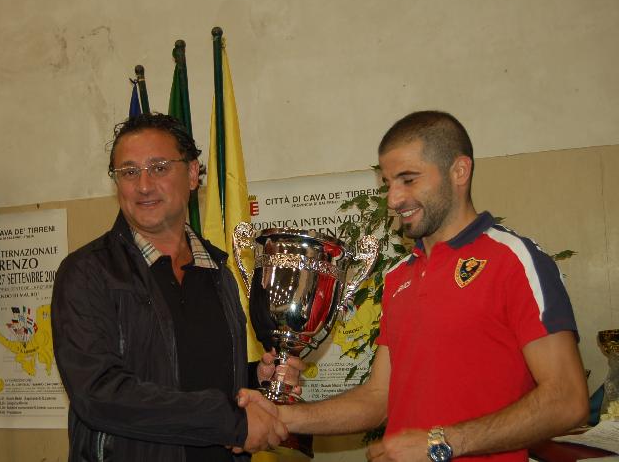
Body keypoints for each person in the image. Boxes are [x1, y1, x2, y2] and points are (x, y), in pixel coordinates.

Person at [239, 110, 589, 462]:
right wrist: (280, 417)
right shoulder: (399, 277)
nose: (393, 199)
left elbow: (568, 399)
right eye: (388, 184)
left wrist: (442, 443)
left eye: (408, 180)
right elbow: (378, 399)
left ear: (459, 171)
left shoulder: (514, 260)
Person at [51, 113, 295, 461]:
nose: (144, 185)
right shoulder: (88, 273)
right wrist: (230, 422)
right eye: (129, 172)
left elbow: (190, 372)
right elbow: (98, 393)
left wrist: (256, 377)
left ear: (193, 174)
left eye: (159, 168)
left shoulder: (217, 271)